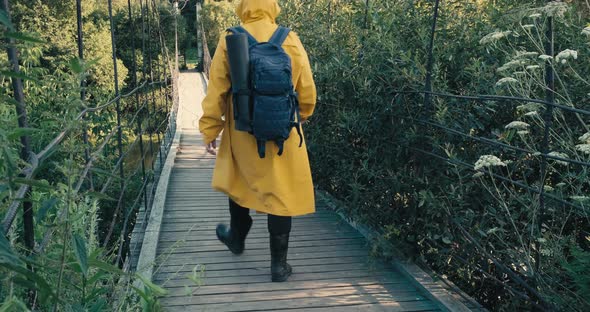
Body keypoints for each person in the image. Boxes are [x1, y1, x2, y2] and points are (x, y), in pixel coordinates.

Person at [198, 0, 317, 282]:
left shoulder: (231, 39)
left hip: (242, 129)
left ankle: (236, 239)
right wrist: (300, 115)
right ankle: (279, 266)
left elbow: (216, 90)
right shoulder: (289, 38)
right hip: (281, 129)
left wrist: (210, 129)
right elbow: (307, 89)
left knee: (240, 182)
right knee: (281, 193)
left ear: (243, 6)